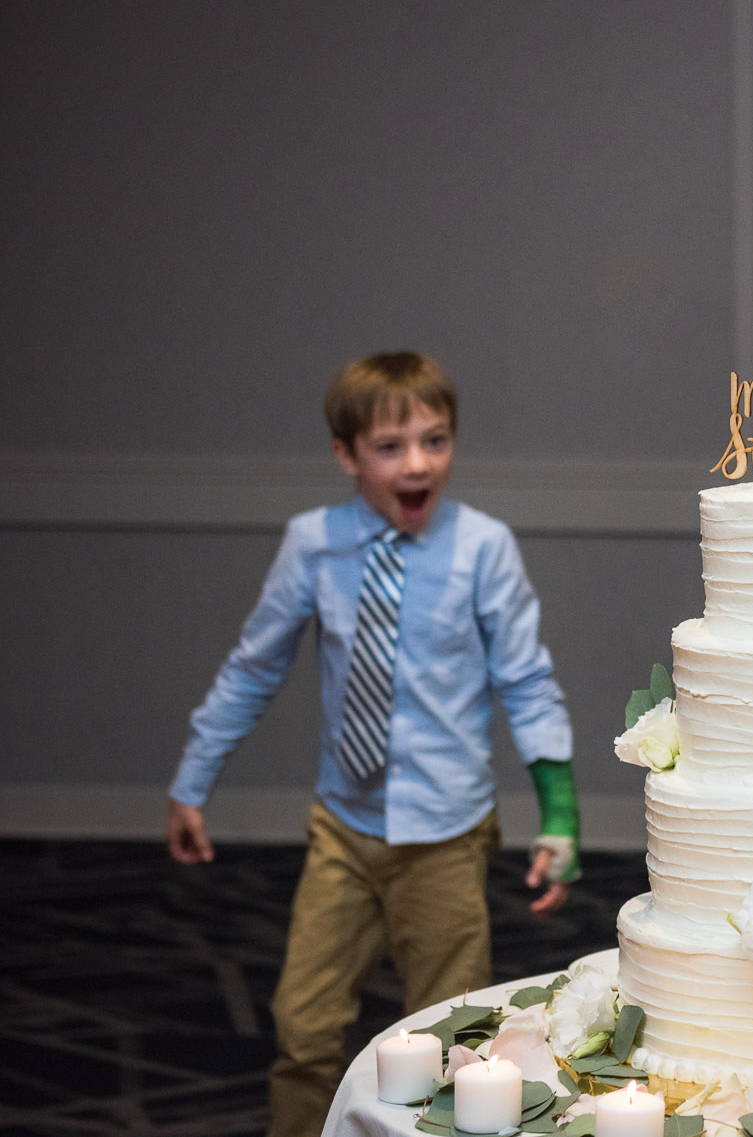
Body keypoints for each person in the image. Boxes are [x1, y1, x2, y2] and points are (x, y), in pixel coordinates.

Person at [165, 352, 582, 1137]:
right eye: (391, 447)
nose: (419, 463)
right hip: (344, 830)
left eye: (436, 439)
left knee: (455, 1039)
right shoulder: (312, 543)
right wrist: (193, 781)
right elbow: (254, 668)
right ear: (347, 456)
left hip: (446, 837)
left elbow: (526, 681)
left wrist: (560, 815)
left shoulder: (482, 546)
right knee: (305, 1027)